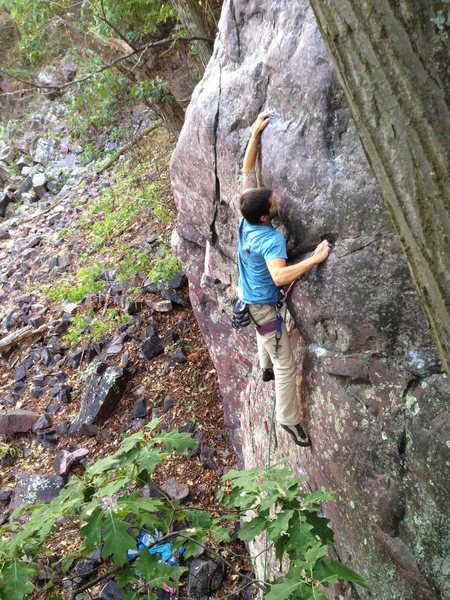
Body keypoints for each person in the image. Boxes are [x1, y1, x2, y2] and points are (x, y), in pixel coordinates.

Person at [238, 111, 331, 447]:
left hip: (248, 294)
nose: (277, 200)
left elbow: (247, 172)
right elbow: (279, 275)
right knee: (286, 365)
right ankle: (288, 420)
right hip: (262, 305)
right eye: (273, 202)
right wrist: (315, 259)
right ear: (266, 215)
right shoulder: (269, 239)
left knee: (267, 341)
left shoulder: (246, 212)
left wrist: (255, 134)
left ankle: (264, 367)